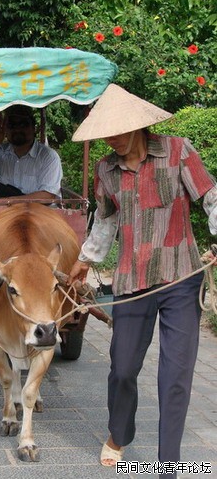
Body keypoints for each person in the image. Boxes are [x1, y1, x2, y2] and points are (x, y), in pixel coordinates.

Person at [67, 84, 217, 478]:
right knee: (122, 368)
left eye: (118, 129)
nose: (111, 138)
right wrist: (86, 260)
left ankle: (170, 462)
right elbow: (105, 219)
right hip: (131, 281)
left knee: (176, 375)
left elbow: (211, 198)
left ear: (137, 125)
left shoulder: (178, 151)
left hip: (181, 278)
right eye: (106, 132)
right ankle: (119, 435)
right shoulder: (106, 169)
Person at [0, 105, 62, 200]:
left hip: (38, 211)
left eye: (23, 124)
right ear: (6, 130)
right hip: (7, 210)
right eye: (12, 125)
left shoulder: (49, 156)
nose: (17, 130)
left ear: (34, 128)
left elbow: (47, 196)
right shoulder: (1, 150)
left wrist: (10, 202)